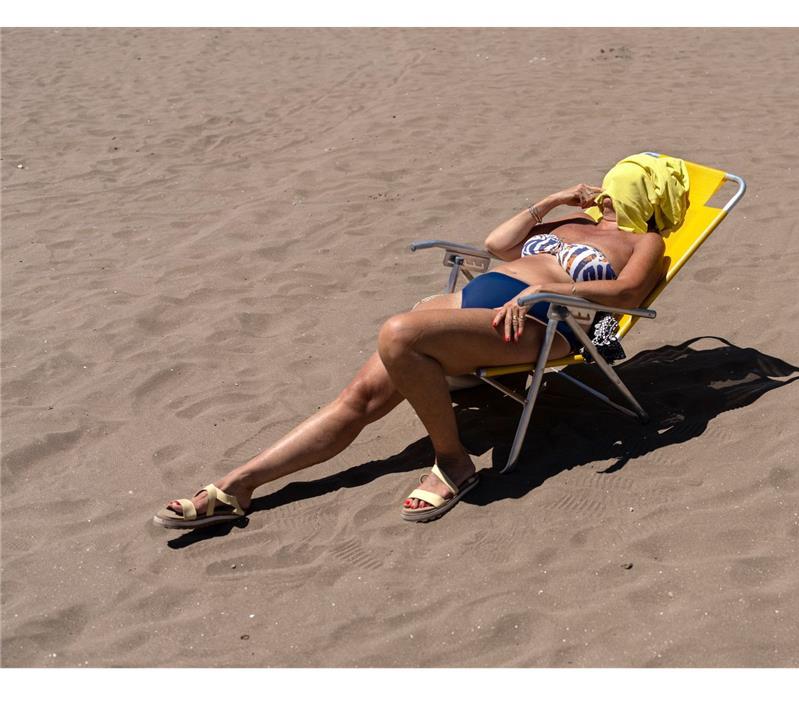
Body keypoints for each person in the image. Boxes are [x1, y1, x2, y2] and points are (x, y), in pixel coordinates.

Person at [154, 154, 689, 526]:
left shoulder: (646, 241)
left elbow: (625, 293)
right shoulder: (572, 220)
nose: (609, 187)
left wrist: (537, 296)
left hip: (540, 324)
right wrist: (549, 202)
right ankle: (238, 487)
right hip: (486, 302)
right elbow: (497, 244)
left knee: (400, 333)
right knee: (358, 399)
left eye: (625, 179)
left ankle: (454, 462)